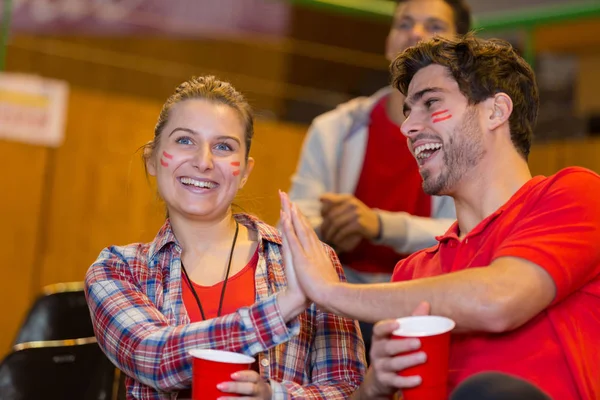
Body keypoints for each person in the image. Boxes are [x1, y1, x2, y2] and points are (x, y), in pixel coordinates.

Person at [279, 34, 600, 400]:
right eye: (407, 111)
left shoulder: (574, 194)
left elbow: (497, 301)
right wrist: (375, 387)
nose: (408, 128)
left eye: (431, 103)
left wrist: (331, 293)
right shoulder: (413, 273)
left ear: (496, 111)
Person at [84, 76, 366, 399]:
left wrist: (276, 397)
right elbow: (155, 357)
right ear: (152, 158)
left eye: (223, 147)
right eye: (185, 141)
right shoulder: (117, 270)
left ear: (245, 171)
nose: (203, 162)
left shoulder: (309, 260)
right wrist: (287, 304)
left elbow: (350, 388)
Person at [288, 0, 470, 352]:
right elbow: (298, 220)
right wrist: (330, 227)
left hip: (430, 297)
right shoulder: (333, 128)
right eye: (404, 24)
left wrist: (378, 226)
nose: (414, 34)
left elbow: (466, 235)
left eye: (433, 26)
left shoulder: (469, 136)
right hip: (339, 298)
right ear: (389, 41)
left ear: (461, 50)